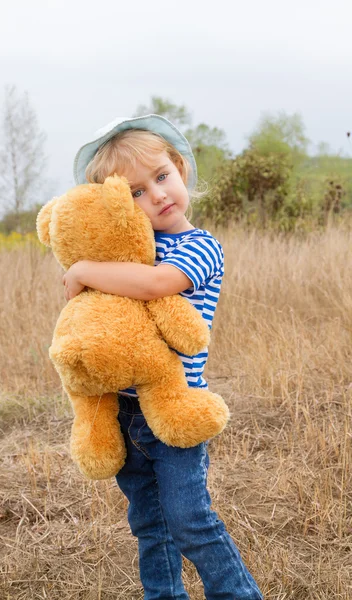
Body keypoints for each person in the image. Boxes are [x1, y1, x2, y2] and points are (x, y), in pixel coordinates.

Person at [63, 115, 263, 599]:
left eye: (160, 176)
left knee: (189, 520)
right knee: (150, 525)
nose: (155, 195)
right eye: (134, 192)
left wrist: (84, 269)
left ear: (180, 168)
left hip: (175, 409)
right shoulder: (131, 254)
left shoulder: (200, 246)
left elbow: (157, 286)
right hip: (125, 411)